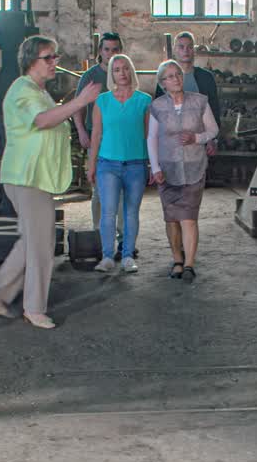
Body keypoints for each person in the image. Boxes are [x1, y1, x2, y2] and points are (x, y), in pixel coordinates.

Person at [0, 36, 102, 329]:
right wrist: (80, 102)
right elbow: (42, 121)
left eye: (55, 56)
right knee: (42, 244)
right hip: (27, 177)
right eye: (49, 57)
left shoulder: (38, 91)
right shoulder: (23, 90)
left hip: (34, 176)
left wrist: (74, 104)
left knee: (32, 241)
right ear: (31, 61)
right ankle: (34, 308)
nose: (54, 62)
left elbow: (50, 118)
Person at [148, 60, 219, 282]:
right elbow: (151, 138)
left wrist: (196, 138)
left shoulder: (199, 102)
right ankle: (177, 259)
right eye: (169, 76)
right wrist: (155, 167)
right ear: (162, 83)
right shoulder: (157, 107)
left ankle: (189, 264)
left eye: (177, 74)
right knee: (171, 218)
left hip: (193, 167)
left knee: (188, 217)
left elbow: (213, 130)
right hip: (167, 169)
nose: (175, 79)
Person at [85, 54, 152, 274]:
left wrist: (152, 164)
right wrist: (91, 164)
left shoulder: (144, 100)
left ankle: (128, 256)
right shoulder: (102, 101)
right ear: (111, 74)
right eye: (116, 70)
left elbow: (149, 135)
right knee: (108, 211)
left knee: (131, 212)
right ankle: (106, 257)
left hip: (136, 164)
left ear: (131, 71)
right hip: (108, 164)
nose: (121, 73)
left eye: (125, 69)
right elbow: (96, 135)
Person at [76, 32, 129, 255]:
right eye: (107, 49)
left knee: (123, 191)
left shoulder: (126, 75)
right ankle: (100, 236)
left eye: (115, 49)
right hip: (97, 139)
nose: (111, 54)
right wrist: (81, 132)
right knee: (100, 190)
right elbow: (77, 107)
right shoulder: (91, 76)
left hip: (122, 140)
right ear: (100, 51)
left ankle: (124, 239)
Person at [154, 31, 221, 158]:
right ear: (175, 50)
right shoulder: (164, 78)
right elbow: (158, 114)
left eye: (189, 47)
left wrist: (213, 139)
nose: (186, 50)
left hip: (199, 141)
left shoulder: (206, 78)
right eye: (181, 47)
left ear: (194, 51)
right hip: (172, 142)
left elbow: (215, 110)